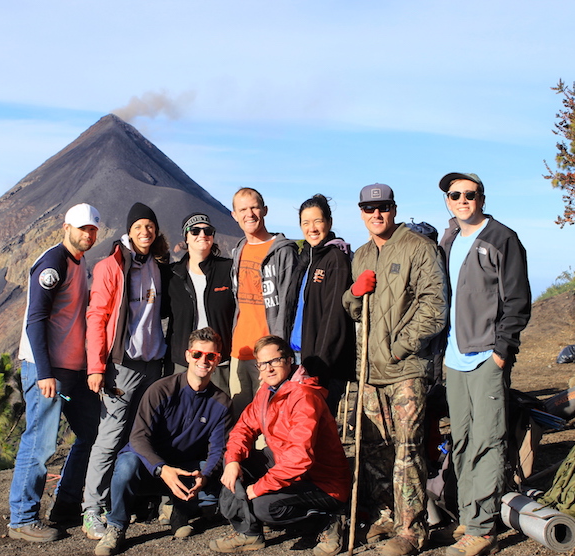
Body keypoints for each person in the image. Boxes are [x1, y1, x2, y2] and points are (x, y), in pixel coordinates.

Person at [342, 184, 447, 556]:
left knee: (407, 450)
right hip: (369, 371)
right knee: (374, 450)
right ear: (361, 212)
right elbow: (353, 310)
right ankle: (386, 515)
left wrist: (399, 349)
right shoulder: (362, 254)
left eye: (383, 207)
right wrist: (354, 294)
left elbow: (434, 307)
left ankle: (412, 529)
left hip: (405, 369)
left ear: (394, 208)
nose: (376, 214)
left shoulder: (419, 248)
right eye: (369, 208)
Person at [437, 172, 531, 556]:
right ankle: (468, 514)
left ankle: (484, 528)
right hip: (453, 358)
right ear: (447, 201)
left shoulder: (501, 238)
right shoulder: (448, 240)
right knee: (460, 440)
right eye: (455, 194)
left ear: (482, 198)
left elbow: (518, 301)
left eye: (470, 194)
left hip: (486, 357)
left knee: (488, 441)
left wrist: (501, 351)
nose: (463, 200)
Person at [8, 203, 103, 542]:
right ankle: (21, 519)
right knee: (40, 442)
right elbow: (35, 321)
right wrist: (44, 373)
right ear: (66, 227)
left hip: (73, 368)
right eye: (82, 229)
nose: (87, 234)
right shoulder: (53, 262)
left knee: (93, 433)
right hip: (47, 370)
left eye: (92, 229)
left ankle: (66, 502)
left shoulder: (79, 261)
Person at [94, 327, 232, 556]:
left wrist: (205, 475)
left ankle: (178, 508)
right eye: (197, 354)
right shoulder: (161, 390)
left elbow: (218, 448)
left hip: (185, 469)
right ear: (188, 355)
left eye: (211, 356)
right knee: (126, 465)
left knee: (218, 481)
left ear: (218, 360)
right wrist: (162, 469)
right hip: (149, 467)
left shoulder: (221, 403)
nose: (203, 360)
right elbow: (138, 437)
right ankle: (116, 526)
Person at [209, 336, 350, 556]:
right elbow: (243, 428)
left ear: (289, 360)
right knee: (232, 467)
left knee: (265, 507)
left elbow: (300, 459)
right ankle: (249, 534)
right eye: (262, 364)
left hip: (321, 481)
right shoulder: (267, 392)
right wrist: (233, 460)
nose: (268, 369)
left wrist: (258, 487)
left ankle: (330, 518)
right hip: (285, 465)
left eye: (274, 361)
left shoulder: (304, 397)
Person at [82, 202, 171, 540]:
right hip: (121, 366)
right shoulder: (111, 267)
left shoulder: (158, 266)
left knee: (143, 433)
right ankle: (92, 508)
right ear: (129, 231)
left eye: (150, 226)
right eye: (139, 227)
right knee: (110, 436)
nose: (145, 232)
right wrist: (96, 366)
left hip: (153, 362)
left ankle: (129, 500)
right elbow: (97, 317)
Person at [229, 187, 298, 419]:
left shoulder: (283, 251)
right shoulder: (239, 250)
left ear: (264, 210)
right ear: (234, 215)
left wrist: (277, 354)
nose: (249, 214)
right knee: (240, 423)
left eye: (254, 207)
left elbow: (288, 305)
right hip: (239, 351)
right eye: (243, 209)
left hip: (268, 356)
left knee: (268, 425)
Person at [287, 194, 356, 416]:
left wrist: (319, 369)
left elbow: (333, 317)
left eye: (317, 221)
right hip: (299, 357)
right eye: (306, 223)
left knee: (317, 429)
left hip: (320, 365)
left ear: (329, 222)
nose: (312, 228)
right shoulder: (308, 258)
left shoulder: (335, 259)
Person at [167, 212, 235, 392]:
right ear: (186, 238)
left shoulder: (228, 269)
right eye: (195, 231)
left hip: (220, 361)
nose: (202, 235)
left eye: (208, 231)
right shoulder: (172, 275)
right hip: (184, 361)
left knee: (222, 411)